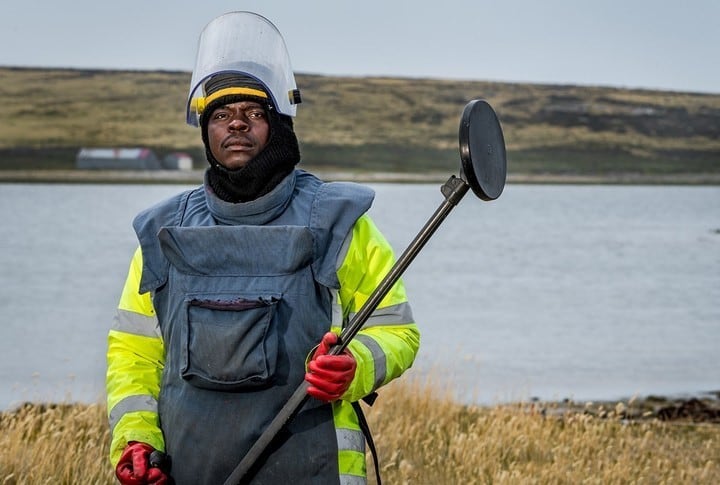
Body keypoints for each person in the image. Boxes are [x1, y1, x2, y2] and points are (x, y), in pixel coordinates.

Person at [106, 11, 420, 485]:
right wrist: (136, 440)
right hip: (190, 472)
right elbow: (134, 353)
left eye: (253, 113)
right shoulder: (163, 231)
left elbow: (397, 331)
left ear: (278, 125)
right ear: (206, 131)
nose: (236, 125)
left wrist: (353, 367)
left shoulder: (337, 221)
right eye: (221, 114)